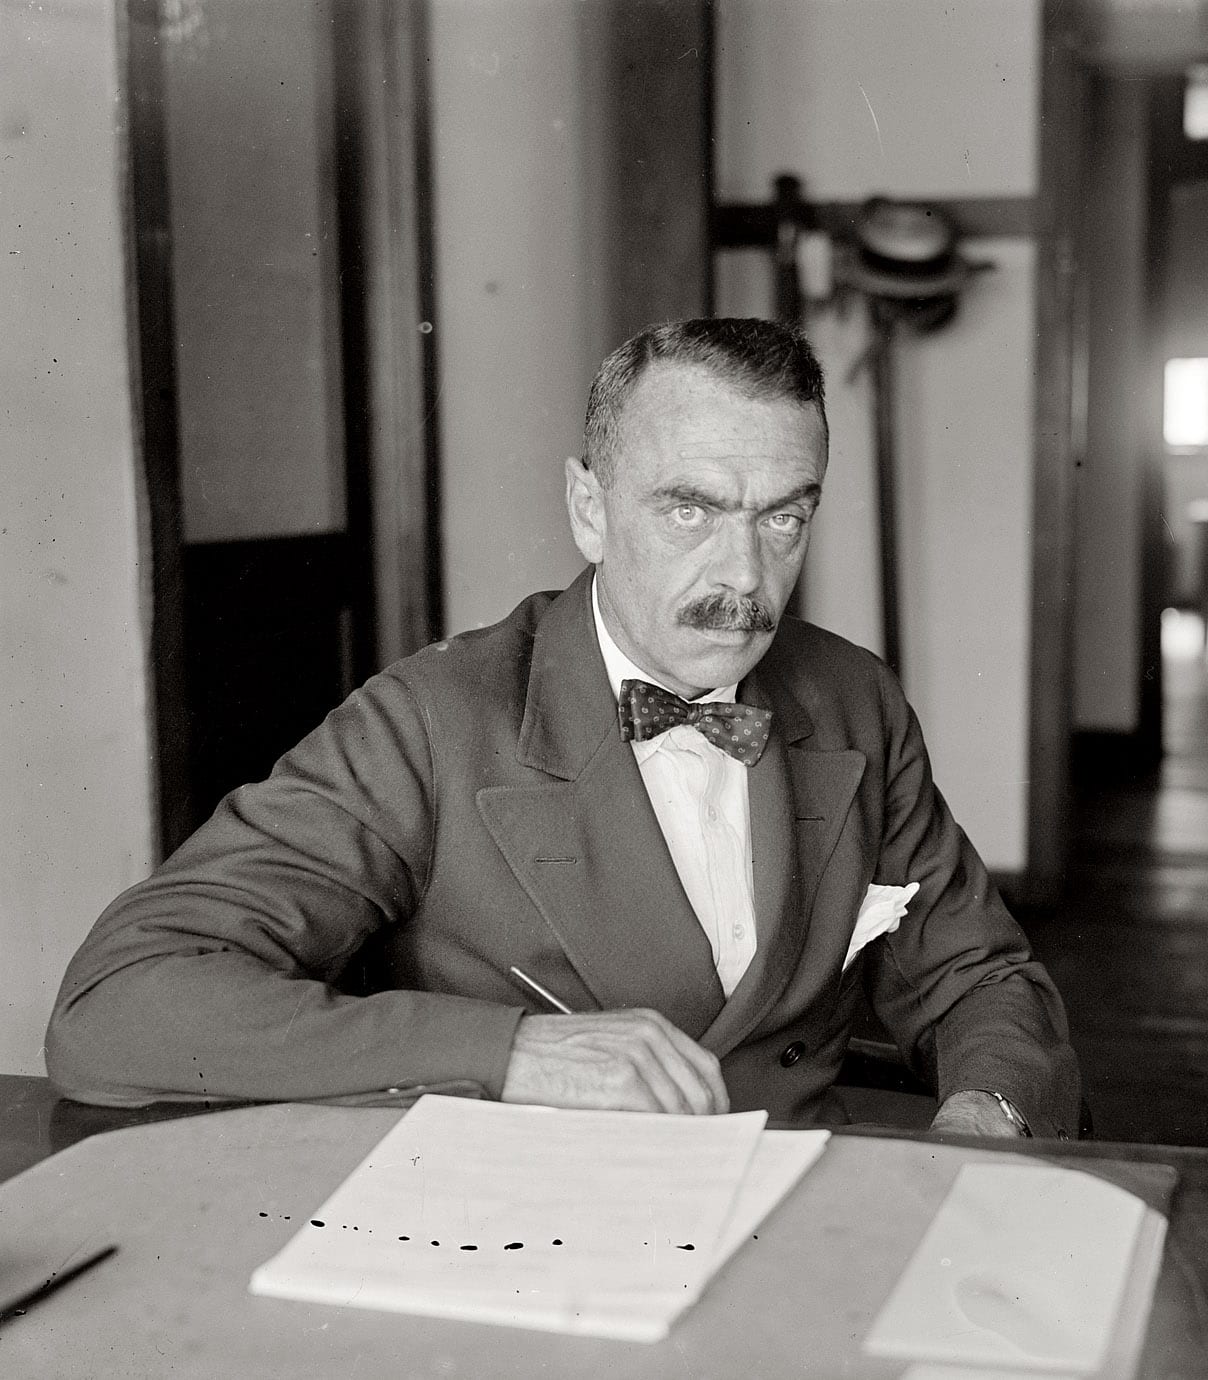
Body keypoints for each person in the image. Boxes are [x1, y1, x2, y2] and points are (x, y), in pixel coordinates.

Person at [47, 318, 1079, 1139]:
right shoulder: (431, 721)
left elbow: (978, 978)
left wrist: (983, 1126)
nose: (743, 576)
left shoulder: (853, 698)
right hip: (523, 1242)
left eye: (782, 516)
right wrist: (512, 1054)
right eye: (690, 510)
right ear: (588, 508)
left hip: (790, 1222)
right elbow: (122, 1004)